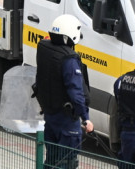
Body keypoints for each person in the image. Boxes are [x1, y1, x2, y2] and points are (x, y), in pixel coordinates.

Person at [34, 15, 92, 169]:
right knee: (67, 162)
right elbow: (75, 92)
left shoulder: (44, 48)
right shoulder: (68, 59)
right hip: (66, 121)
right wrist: (86, 118)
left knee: (51, 161)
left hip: (50, 116)